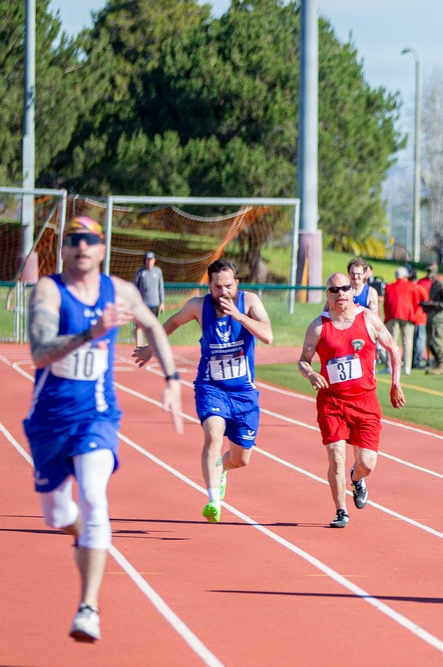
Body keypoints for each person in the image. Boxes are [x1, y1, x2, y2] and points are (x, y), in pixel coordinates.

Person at [24, 216, 183, 642]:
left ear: (102, 248)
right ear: (64, 249)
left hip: (97, 414)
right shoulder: (48, 290)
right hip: (50, 419)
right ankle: (80, 534)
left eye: (90, 240)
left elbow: (152, 326)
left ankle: (88, 608)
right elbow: (40, 353)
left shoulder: (122, 291)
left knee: (95, 497)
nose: (81, 247)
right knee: (58, 515)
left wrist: (171, 379)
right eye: (73, 240)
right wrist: (91, 331)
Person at [135, 258, 273, 523]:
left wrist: (239, 315)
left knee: (241, 458)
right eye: (217, 287)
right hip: (211, 387)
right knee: (213, 434)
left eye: (228, 286)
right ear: (209, 285)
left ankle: (222, 468)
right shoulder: (198, 305)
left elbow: (268, 336)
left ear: (237, 283)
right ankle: (213, 500)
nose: (223, 292)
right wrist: (152, 347)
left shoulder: (250, 301)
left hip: (244, 393)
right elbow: (173, 322)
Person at [298, 272, 406, 528]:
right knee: (336, 456)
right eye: (334, 290)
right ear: (328, 294)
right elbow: (303, 360)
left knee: (367, 463)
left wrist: (395, 384)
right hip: (332, 402)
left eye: (344, 288)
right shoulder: (318, 326)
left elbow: (393, 348)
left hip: (365, 402)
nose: (340, 294)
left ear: (352, 290)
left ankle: (357, 479)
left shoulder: (367, 318)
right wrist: (311, 373)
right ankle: (341, 511)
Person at [383, 266, 425, 375]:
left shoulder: (389, 286)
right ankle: (407, 367)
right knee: (407, 341)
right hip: (408, 316)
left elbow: (386, 303)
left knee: (392, 342)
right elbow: (417, 300)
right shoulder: (411, 286)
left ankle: (390, 366)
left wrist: (386, 316)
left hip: (393, 315)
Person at [422, 262, 443, 375]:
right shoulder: (433, 285)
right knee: (430, 341)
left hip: (439, 318)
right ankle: (437, 363)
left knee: (437, 340)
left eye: (431, 272)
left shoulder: (442, 285)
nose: (429, 275)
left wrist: (434, 304)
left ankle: (441, 364)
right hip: (432, 316)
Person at [133, 250, 165, 347]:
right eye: (147, 260)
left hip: (154, 304)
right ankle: (138, 345)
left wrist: (162, 302)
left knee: (152, 326)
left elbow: (161, 288)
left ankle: (151, 345)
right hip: (142, 304)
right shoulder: (140, 272)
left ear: (154, 260)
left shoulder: (158, 271)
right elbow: (135, 288)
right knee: (138, 325)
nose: (149, 262)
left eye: (151, 260)